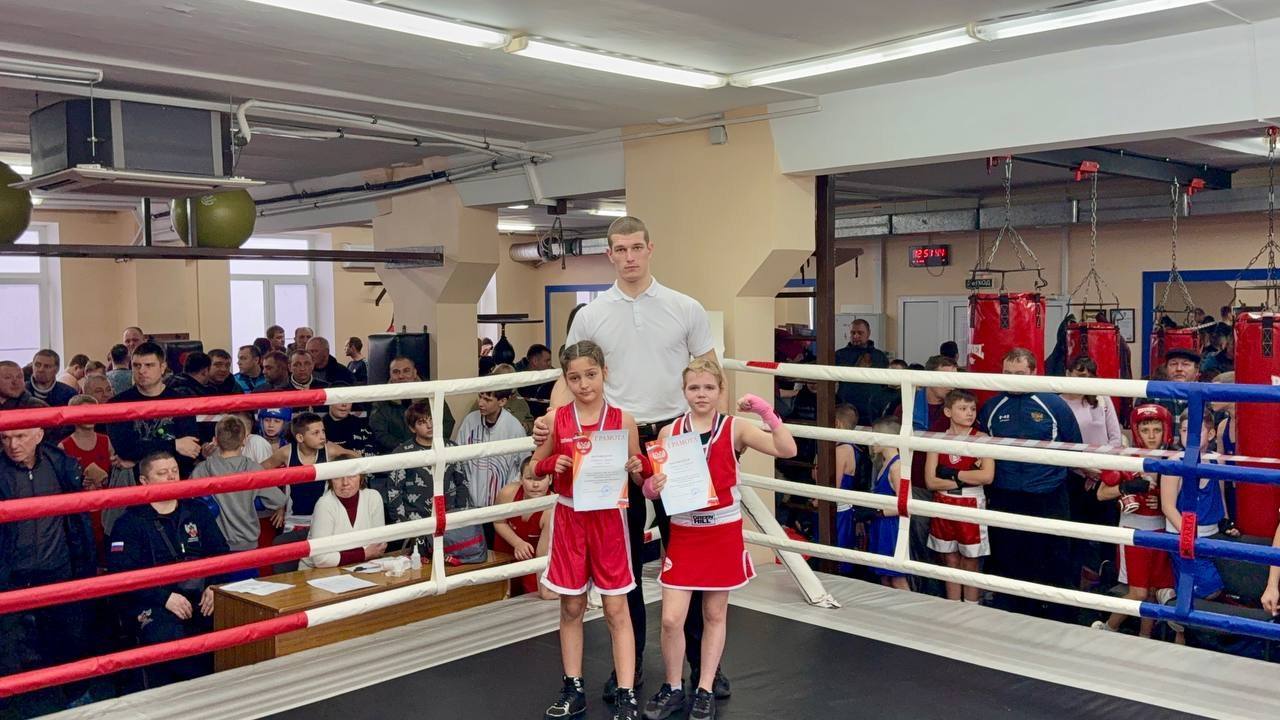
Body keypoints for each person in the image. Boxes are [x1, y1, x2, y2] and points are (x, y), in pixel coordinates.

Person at [534, 216, 725, 703]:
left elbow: (711, 372)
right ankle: (631, 664)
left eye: (636, 247)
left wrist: (719, 436)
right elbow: (570, 377)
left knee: (690, 552)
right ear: (610, 254)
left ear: (650, 248)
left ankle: (704, 665)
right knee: (626, 559)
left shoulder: (684, 306)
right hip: (614, 443)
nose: (629, 257)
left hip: (676, 438)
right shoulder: (592, 314)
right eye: (620, 249)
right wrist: (550, 422)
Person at [640, 361, 795, 720]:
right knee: (671, 619)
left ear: (720, 390)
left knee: (713, 613)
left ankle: (705, 688)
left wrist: (766, 412)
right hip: (685, 531)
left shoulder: (734, 427)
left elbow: (787, 450)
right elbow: (651, 487)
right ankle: (673, 686)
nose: (701, 394)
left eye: (709, 387)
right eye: (694, 388)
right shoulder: (670, 432)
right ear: (684, 391)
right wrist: (652, 486)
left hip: (721, 531)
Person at [533, 341, 646, 720]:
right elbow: (532, 467)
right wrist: (550, 464)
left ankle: (627, 693)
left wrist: (637, 467)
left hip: (609, 520)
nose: (584, 384)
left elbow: (640, 473)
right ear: (565, 380)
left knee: (616, 607)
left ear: (604, 373)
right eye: (575, 377)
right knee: (571, 605)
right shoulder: (556, 420)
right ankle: (573, 687)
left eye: (591, 375)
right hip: (570, 517)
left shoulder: (623, 419)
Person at [978, 347, 1082, 620]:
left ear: (1034, 372)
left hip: (1048, 492)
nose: (1013, 379)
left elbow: (1075, 445)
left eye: (1020, 373)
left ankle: (1059, 614)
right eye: (1008, 373)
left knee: (1055, 556)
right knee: (1010, 555)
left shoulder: (1054, 404)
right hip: (1006, 492)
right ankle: (1012, 611)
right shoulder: (992, 406)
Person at [109, 451, 230, 687]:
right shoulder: (129, 522)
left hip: (200, 595)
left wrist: (215, 586)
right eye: (163, 473)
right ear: (144, 481)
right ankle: (193, 692)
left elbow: (221, 552)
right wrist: (163, 598)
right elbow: (121, 576)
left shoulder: (196, 510)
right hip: (153, 600)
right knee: (167, 638)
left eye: (175, 471)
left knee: (235, 621)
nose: (172, 477)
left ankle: (223, 691)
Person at [0, 422, 95, 712]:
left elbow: (76, 518)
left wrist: (82, 562)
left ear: (39, 435)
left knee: (69, 632)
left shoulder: (59, 464)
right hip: (10, 571)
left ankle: (77, 695)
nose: (13, 444)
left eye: (20, 436)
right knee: (6, 641)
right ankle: (10, 705)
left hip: (56, 565)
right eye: (6, 437)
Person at [1093, 404, 1176, 637]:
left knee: (1152, 591)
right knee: (1138, 592)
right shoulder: (1128, 458)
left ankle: (1145, 637)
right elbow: (1101, 494)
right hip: (1134, 531)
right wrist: (1127, 487)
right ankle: (1108, 628)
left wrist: (1161, 500)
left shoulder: (1170, 459)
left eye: (1156, 430)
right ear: (1137, 431)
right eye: (1145, 430)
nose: (1151, 436)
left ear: (1165, 430)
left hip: (1160, 531)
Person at [1159, 411, 1239, 617]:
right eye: (1185, 430)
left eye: (1197, 430)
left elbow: (1219, 495)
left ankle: (1176, 608)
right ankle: (1171, 600)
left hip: (1211, 535)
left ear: (1211, 434)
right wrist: (1188, 536)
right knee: (1211, 589)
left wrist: (1226, 522)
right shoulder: (1175, 463)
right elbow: (1167, 507)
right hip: (1182, 537)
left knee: (1206, 586)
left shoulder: (1216, 461)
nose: (1190, 435)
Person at [923, 389, 994, 602]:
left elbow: (987, 476)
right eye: (963, 408)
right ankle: (952, 606)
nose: (969, 413)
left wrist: (953, 474)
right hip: (943, 501)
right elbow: (931, 481)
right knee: (949, 559)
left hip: (970, 501)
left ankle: (972, 607)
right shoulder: (937, 440)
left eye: (972, 408)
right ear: (948, 412)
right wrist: (966, 477)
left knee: (971, 560)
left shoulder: (982, 439)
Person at [1060, 356, 1123, 582]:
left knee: (1108, 530)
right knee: (1076, 532)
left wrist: (1103, 469)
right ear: (1068, 374)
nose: (1084, 379)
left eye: (1089, 375)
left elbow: (1115, 437)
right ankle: (1075, 582)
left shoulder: (1102, 399)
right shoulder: (1059, 403)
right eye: (1079, 374)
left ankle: (1109, 579)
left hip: (1106, 475)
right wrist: (1084, 468)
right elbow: (1059, 444)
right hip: (1074, 476)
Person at [380, 400, 468, 555]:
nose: (429, 425)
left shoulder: (451, 447)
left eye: (432, 420)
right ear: (412, 427)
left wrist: (461, 516)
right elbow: (394, 492)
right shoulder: (403, 452)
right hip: (416, 525)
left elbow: (462, 483)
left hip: (450, 522)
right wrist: (404, 526)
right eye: (422, 422)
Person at [192, 417, 286, 555]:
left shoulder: (203, 469)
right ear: (244, 441)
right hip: (246, 542)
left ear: (215, 440)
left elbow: (188, 499)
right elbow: (279, 500)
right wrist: (251, 498)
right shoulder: (253, 468)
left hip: (214, 542)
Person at [108, 342, 201, 478]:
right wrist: (175, 445)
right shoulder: (117, 404)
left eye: (149, 365)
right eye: (136, 365)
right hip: (134, 481)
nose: (141, 371)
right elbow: (125, 449)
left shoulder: (181, 402)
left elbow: (190, 449)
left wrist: (138, 459)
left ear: (162, 367)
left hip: (174, 479)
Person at [262, 412, 358, 532]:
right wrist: (278, 502)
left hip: (324, 518)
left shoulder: (329, 450)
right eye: (316, 433)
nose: (322, 437)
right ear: (300, 438)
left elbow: (358, 458)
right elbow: (259, 472)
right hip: (293, 520)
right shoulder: (286, 453)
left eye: (323, 431)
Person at [455, 386, 530, 512]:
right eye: (480, 397)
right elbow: (457, 457)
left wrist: (509, 494)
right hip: (470, 503)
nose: (480, 403)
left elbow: (525, 467)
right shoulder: (470, 421)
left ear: (502, 401)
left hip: (502, 505)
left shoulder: (514, 428)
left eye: (487, 400)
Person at [59, 394, 114, 563]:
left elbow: (116, 474)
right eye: (85, 412)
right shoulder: (63, 446)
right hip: (81, 512)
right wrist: (78, 483)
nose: (90, 416)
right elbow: (61, 485)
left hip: (107, 508)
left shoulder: (106, 441)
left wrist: (105, 480)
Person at [493, 456, 554, 599]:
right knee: (497, 593)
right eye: (530, 478)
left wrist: (544, 591)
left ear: (550, 479)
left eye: (540, 478)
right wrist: (517, 543)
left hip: (533, 557)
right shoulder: (508, 493)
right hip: (505, 549)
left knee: (535, 595)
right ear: (521, 479)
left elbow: (542, 554)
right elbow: (498, 521)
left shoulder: (551, 508)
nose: (535, 485)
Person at [369, 356, 455, 450]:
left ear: (414, 373)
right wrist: (405, 449)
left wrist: (427, 444)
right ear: (390, 375)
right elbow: (379, 433)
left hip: (431, 451)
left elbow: (447, 423)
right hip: (395, 454)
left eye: (406, 371)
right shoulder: (381, 400)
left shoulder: (431, 395)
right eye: (396, 372)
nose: (401, 376)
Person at [301, 474, 386, 568]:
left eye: (351, 476)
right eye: (338, 477)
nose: (345, 483)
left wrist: (337, 557)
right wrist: (365, 553)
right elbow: (321, 559)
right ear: (330, 480)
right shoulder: (324, 504)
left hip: (361, 567)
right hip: (315, 572)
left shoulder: (373, 497)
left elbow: (378, 548)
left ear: (361, 477)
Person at [867, 416, 910, 591]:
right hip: (881, 523)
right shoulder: (884, 464)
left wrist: (876, 512)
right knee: (884, 576)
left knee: (896, 577)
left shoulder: (897, 467)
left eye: (875, 436)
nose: (872, 441)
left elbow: (905, 504)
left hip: (892, 526)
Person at [834, 319, 890, 422]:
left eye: (860, 333)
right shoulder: (839, 355)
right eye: (853, 333)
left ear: (868, 333)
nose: (856, 336)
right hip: (846, 410)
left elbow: (886, 384)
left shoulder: (879, 356)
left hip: (872, 410)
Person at [468, 364, 536, 433]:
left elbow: (530, 421)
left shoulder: (520, 402)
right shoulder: (481, 403)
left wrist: (527, 426)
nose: (481, 403)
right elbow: (472, 424)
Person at [517, 343, 556, 418]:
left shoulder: (553, 377)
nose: (550, 364)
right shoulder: (516, 377)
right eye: (547, 361)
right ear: (535, 361)